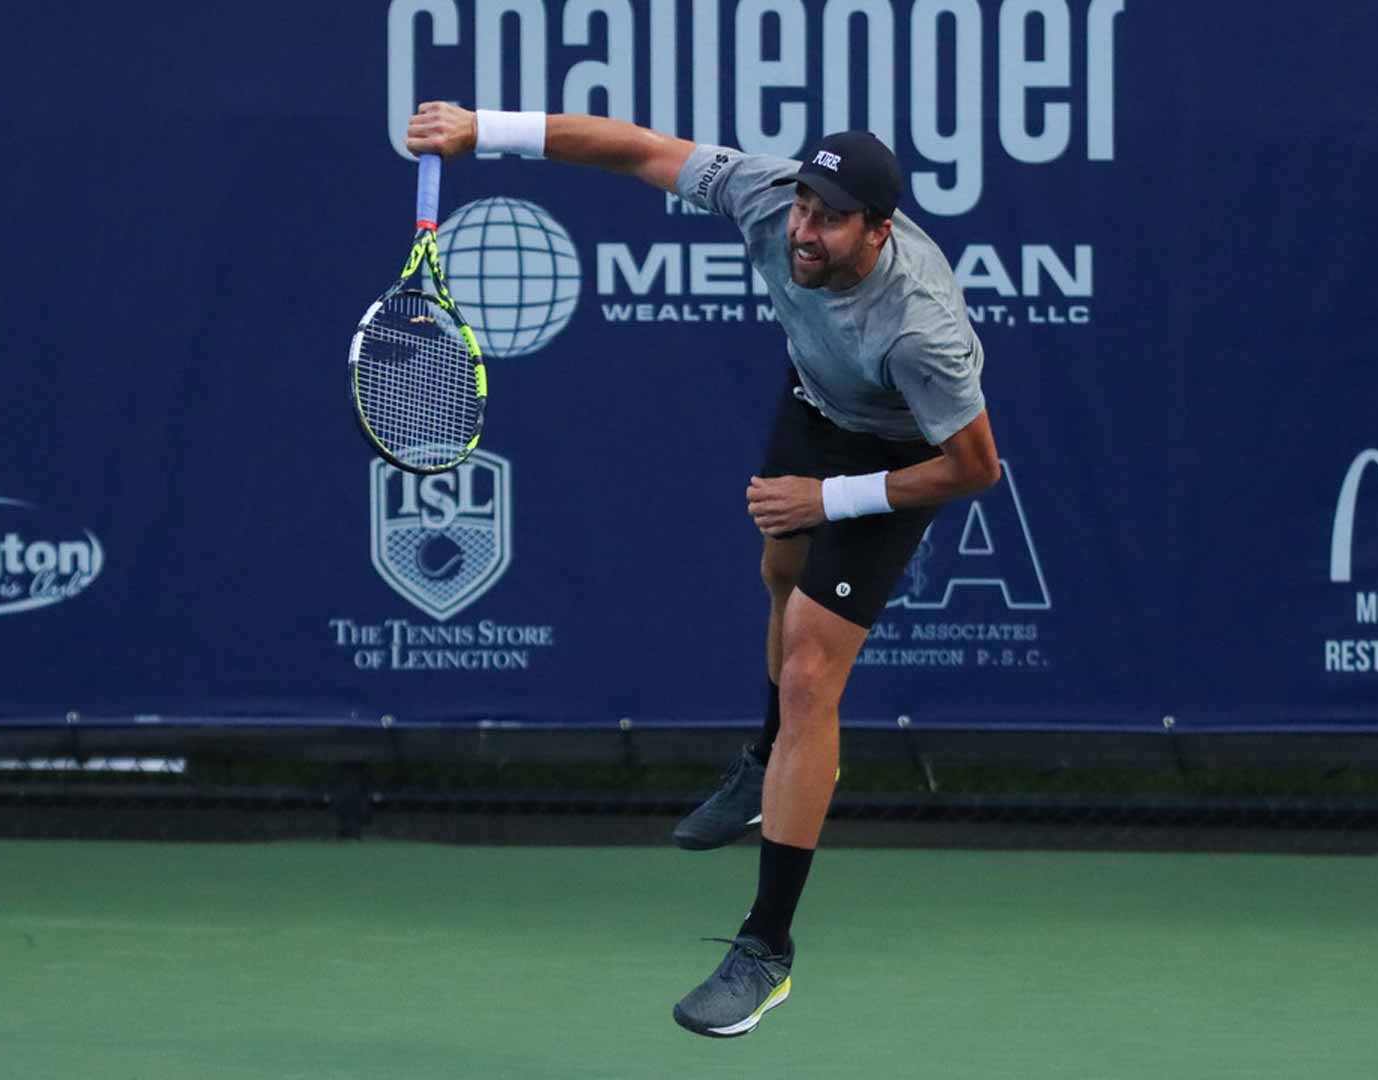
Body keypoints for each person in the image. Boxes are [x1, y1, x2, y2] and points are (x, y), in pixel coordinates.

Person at [407, 104, 1000, 1038]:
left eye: (831, 218)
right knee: (778, 570)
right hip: (815, 398)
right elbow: (638, 149)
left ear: (878, 232)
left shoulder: (920, 329)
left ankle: (766, 949)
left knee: (811, 668)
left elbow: (975, 468)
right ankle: (763, 765)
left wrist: (832, 500)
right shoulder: (769, 202)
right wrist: (481, 129)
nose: (805, 228)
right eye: (805, 204)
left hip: (896, 453)